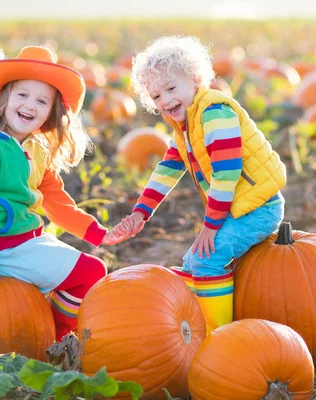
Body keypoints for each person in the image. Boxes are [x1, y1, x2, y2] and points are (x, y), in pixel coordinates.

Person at [110, 36, 287, 335]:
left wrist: (210, 225)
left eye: (170, 88)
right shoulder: (185, 126)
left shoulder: (215, 114)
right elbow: (167, 169)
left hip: (260, 208)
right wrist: (141, 212)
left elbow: (227, 174)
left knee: (207, 260)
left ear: (194, 80)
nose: (164, 101)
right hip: (236, 207)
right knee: (192, 262)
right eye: (155, 97)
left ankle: (220, 338)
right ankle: (195, 329)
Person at [0, 46, 118, 341]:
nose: (31, 105)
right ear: (4, 98)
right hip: (0, 249)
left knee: (86, 269)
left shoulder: (35, 149)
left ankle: (43, 328)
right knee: (92, 272)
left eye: (42, 100)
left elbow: (57, 203)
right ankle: (54, 337)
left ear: (50, 113)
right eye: (23, 95)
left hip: (29, 242)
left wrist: (97, 234)